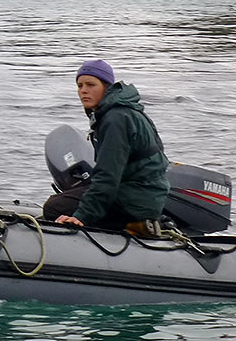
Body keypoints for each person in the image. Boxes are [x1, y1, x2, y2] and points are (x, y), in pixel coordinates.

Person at [44, 60, 171, 234]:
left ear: (106, 86)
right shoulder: (121, 111)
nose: (84, 91)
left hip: (137, 198)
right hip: (142, 193)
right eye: (80, 85)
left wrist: (82, 216)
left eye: (91, 85)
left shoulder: (116, 119)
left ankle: (128, 229)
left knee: (55, 207)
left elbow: (107, 176)